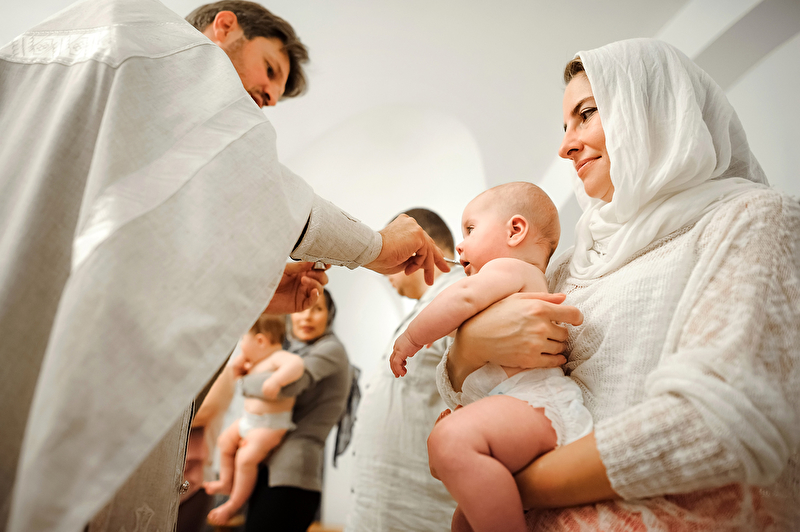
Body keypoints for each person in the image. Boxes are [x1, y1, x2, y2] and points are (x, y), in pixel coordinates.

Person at [0, 1, 448, 531]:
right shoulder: (163, 44)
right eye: (270, 70)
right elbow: (263, 191)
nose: (268, 98)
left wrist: (255, 287)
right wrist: (374, 244)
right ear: (225, 25)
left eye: (275, 95)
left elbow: (130, 265)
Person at [439, 38, 800, 530]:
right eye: (565, 127)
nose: (565, 146)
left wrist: (500, 483)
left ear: (655, 108)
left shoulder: (754, 220)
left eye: (586, 114)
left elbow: (717, 424)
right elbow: (482, 397)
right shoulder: (568, 265)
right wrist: (469, 348)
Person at [390, 184, 592, 532]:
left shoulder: (512, 269)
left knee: (451, 442)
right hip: (519, 409)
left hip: (536, 404)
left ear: (515, 230)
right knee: (463, 520)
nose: (460, 244)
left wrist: (411, 337)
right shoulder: (509, 281)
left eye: (470, 229)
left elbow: (463, 297)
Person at [346, 208, 461, 532]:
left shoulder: (461, 295)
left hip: (414, 505)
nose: (386, 271)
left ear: (414, 246)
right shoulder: (432, 304)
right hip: (389, 498)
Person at [237, 288, 350, 532]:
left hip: (294, 470)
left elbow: (287, 387)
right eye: (302, 308)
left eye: (317, 309)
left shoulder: (331, 349)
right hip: (272, 464)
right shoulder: (291, 350)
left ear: (329, 315)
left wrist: (244, 379)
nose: (307, 317)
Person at [203, 314, 303, 525]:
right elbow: (238, 376)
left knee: (245, 459)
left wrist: (277, 380)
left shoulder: (277, 357)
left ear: (260, 341)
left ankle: (233, 505)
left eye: (242, 339)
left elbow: (297, 364)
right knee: (224, 441)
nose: (240, 345)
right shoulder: (255, 363)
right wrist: (239, 368)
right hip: (249, 421)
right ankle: (225, 482)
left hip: (269, 426)